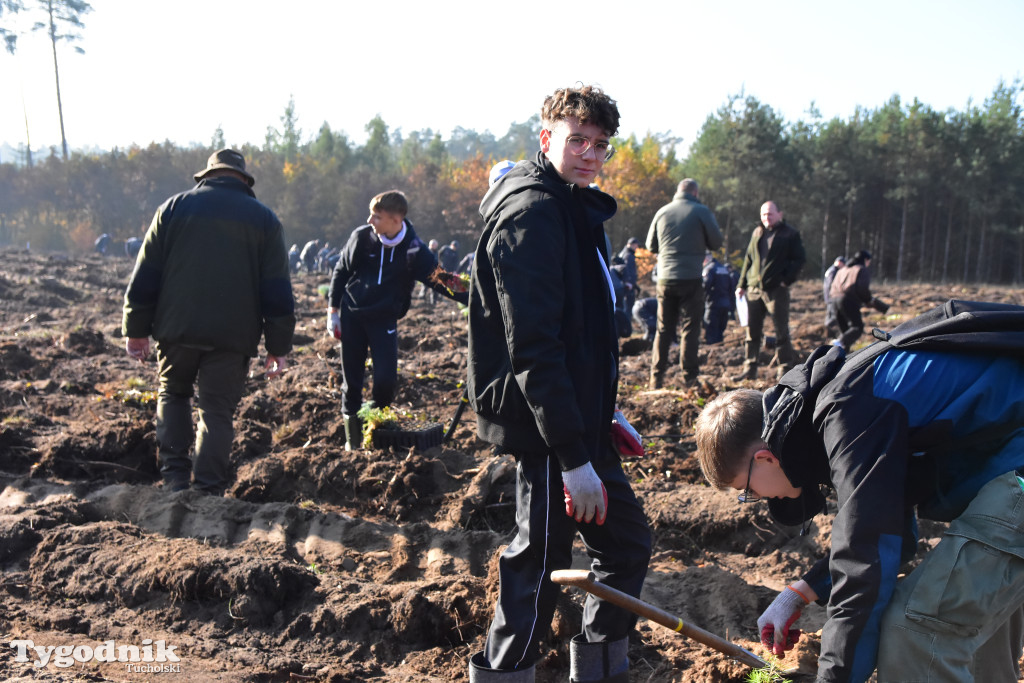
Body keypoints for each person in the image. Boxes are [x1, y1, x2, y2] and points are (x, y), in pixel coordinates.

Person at [694, 299, 1024, 683]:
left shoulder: (847, 412)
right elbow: (889, 533)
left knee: (917, 630)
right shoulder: (838, 405)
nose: (759, 499)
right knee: (970, 628)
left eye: (747, 489)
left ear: (765, 458)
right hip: (1007, 463)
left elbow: (865, 563)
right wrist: (799, 593)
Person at [466, 85, 651, 682]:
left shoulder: (573, 204)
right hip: (547, 428)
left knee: (625, 547)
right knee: (539, 564)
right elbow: (536, 349)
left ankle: (597, 672)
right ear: (546, 139)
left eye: (601, 145)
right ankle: (503, 675)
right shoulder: (532, 215)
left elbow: (583, 334)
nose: (590, 154)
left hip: (578, 419)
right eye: (577, 140)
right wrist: (573, 457)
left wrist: (604, 414)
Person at [122, 148, 295, 495]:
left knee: (172, 395)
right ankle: (207, 489)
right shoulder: (264, 219)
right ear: (244, 181)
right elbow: (276, 289)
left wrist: (136, 329)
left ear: (206, 176)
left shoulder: (172, 209)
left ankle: (174, 479)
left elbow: (146, 275)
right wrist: (278, 347)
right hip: (233, 337)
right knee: (216, 411)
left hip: (176, 329)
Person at [327, 190, 467, 450]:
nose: (370, 220)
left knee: (385, 380)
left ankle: (376, 431)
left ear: (395, 219)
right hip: (353, 316)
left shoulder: (413, 250)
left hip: (384, 320)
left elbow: (440, 279)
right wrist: (333, 311)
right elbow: (341, 271)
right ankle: (353, 443)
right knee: (353, 381)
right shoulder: (362, 239)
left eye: (376, 216)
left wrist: (474, 298)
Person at [645, 178, 723, 389]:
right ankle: (689, 378)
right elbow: (716, 242)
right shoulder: (701, 211)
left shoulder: (662, 211)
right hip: (691, 279)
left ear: (677, 192)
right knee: (690, 328)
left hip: (665, 278)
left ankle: (656, 378)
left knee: (663, 329)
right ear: (695, 193)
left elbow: (650, 245)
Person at [733, 201, 805, 381]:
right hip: (754, 289)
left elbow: (799, 260)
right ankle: (750, 368)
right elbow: (748, 260)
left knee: (781, 330)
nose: (767, 217)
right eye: (764, 214)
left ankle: (785, 368)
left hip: (776, 290)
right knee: (752, 331)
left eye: (770, 214)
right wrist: (741, 284)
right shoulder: (757, 232)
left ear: (780, 214)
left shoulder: (790, 234)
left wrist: (786, 280)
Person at [701, 252, 734, 344]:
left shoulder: (709, 269)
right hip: (725, 304)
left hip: (713, 304)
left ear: (705, 259)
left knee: (711, 330)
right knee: (720, 330)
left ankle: (712, 351)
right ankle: (720, 349)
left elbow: (705, 285)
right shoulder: (724, 269)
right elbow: (732, 287)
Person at [822, 254, 845, 333]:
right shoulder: (833, 271)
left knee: (830, 313)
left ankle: (828, 330)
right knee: (832, 315)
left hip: (829, 296)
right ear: (839, 263)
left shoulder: (831, 270)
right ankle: (828, 331)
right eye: (843, 264)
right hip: (831, 296)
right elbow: (831, 284)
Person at [616, 236, 640, 314]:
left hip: (626, 285)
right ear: (629, 244)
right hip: (627, 287)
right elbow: (627, 270)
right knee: (627, 309)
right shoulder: (628, 255)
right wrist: (628, 283)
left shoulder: (625, 253)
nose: (636, 247)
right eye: (634, 245)